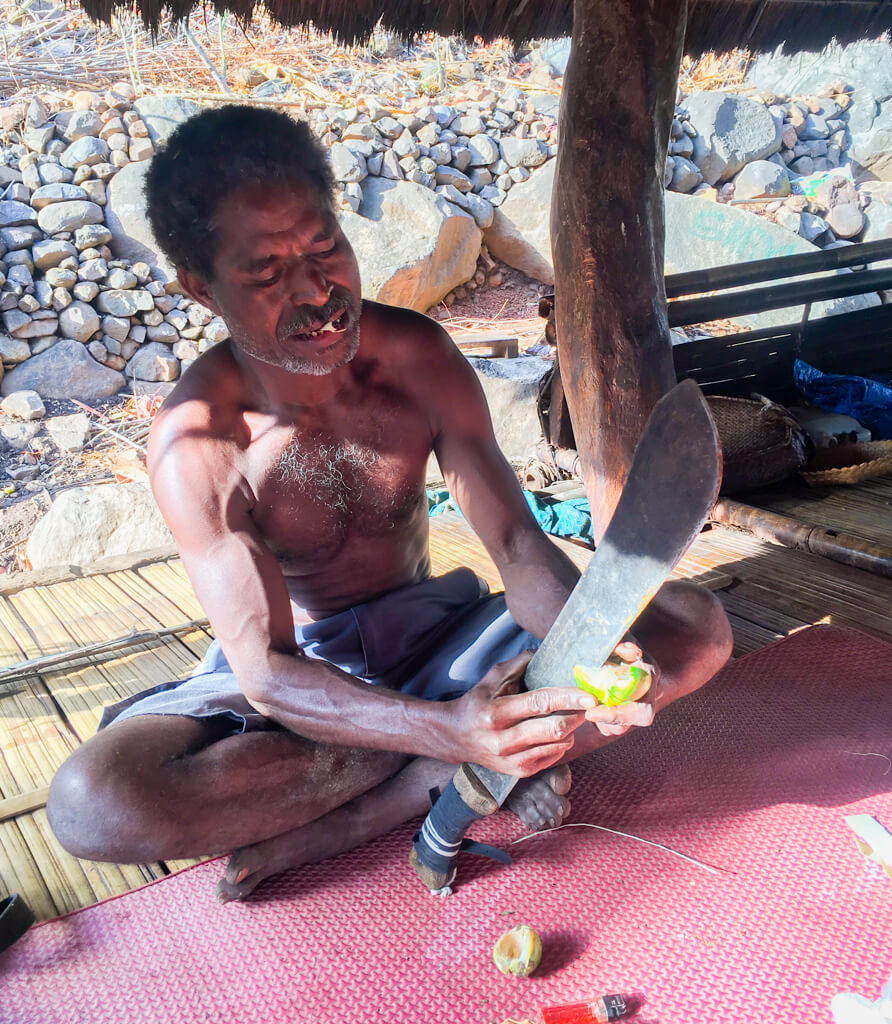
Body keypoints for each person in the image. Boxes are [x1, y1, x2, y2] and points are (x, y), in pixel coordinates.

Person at [47, 106, 732, 903]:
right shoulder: (201, 441)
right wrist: (445, 728)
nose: (317, 293)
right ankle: (440, 775)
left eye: (324, 247)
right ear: (200, 287)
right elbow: (267, 675)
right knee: (94, 803)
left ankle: (392, 796)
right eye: (267, 275)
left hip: (443, 637)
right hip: (310, 681)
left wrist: (592, 649)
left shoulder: (418, 358)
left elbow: (514, 543)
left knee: (692, 628)